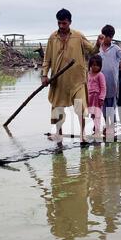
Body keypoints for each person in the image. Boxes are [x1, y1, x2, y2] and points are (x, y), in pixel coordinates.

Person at [41, 9, 104, 142]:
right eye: (59, 23)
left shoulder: (78, 36)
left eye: (64, 23)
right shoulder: (53, 37)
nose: (62, 26)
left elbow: (92, 51)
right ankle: (58, 133)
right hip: (58, 79)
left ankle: (82, 135)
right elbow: (47, 59)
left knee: (80, 107)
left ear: (70, 22)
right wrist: (44, 75)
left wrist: (98, 43)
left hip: (77, 80)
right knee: (57, 108)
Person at [87, 55, 107, 138]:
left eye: (97, 65)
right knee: (92, 114)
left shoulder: (100, 75)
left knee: (97, 114)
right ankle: (96, 127)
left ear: (100, 66)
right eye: (93, 65)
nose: (95, 67)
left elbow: (103, 87)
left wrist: (102, 98)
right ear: (90, 65)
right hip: (89, 97)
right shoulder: (88, 74)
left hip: (97, 97)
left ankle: (97, 131)